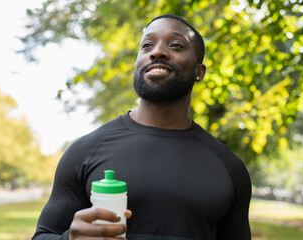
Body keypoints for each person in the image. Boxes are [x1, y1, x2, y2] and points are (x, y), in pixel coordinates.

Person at [32, 13, 252, 240]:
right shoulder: (84, 152)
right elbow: (43, 236)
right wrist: (70, 238)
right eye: (147, 45)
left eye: (176, 45)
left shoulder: (229, 169)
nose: (157, 51)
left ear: (199, 72)